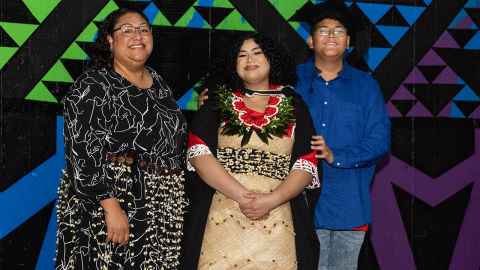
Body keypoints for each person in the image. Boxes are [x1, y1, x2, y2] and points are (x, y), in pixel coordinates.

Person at [55, 8, 188, 269]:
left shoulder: (159, 83)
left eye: (143, 29)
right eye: (127, 30)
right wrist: (110, 206)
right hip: (112, 201)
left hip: (158, 205)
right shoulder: (93, 85)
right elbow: (81, 152)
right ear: (109, 40)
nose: (137, 35)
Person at [182, 33, 320, 270]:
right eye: (242, 55)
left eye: (257, 53)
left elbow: (306, 162)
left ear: (272, 60)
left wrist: (272, 200)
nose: (249, 59)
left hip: (278, 218)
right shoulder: (217, 101)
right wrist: (243, 196)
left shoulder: (294, 104)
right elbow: (198, 152)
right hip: (222, 214)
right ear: (233, 65)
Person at [296, 1, 391, 270]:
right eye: (323, 30)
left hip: (349, 203)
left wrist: (336, 155)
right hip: (297, 203)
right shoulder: (290, 82)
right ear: (310, 40)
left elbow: (379, 141)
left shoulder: (366, 86)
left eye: (338, 31)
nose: (331, 36)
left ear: (348, 41)